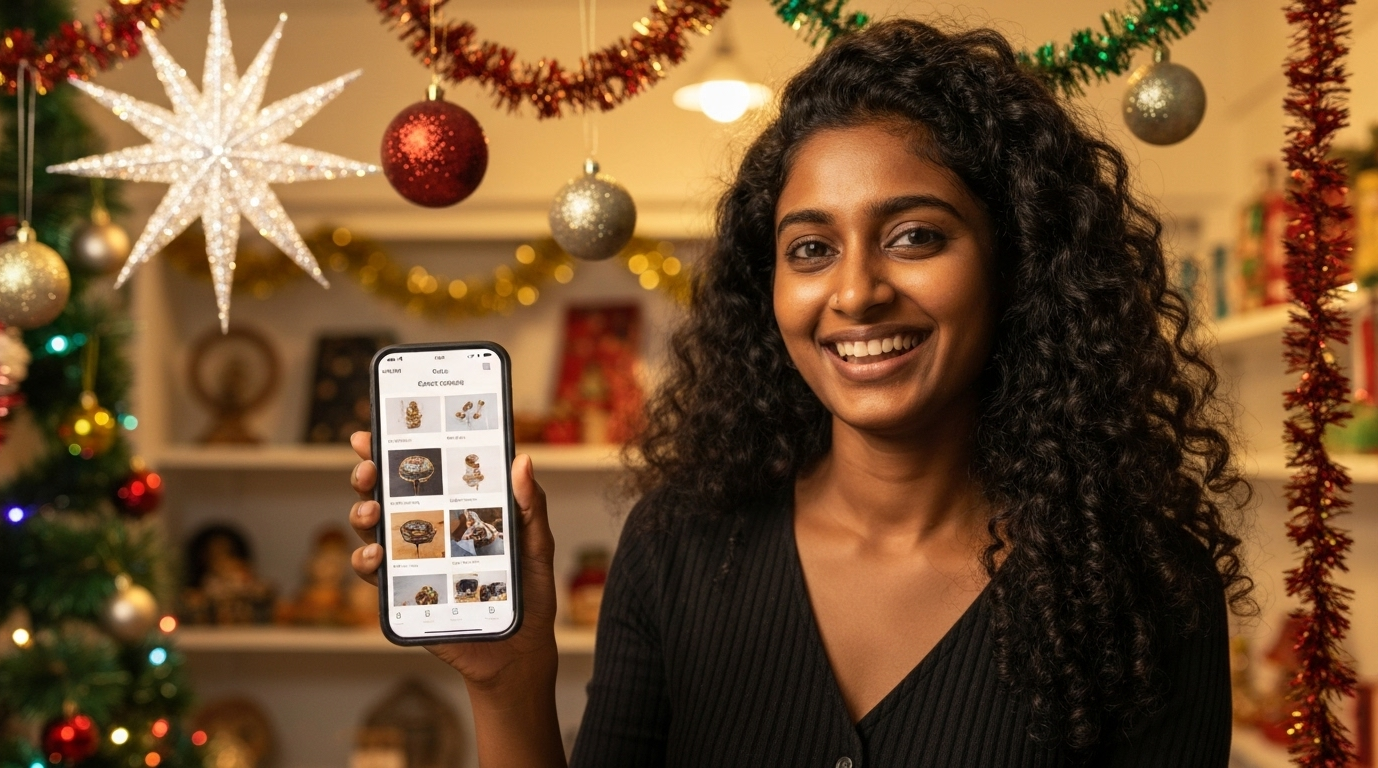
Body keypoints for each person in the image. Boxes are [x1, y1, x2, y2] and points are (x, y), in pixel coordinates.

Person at [346, 19, 1250, 767]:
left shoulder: (1147, 589)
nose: (855, 293)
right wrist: (504, 679)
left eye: (915, 236)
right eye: (811, 249)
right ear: (766, 286)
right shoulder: (680, 548)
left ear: (1017, 266)